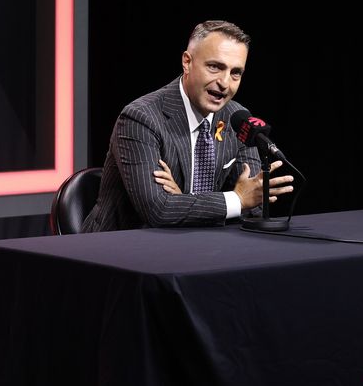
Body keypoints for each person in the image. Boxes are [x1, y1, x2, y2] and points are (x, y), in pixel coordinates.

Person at [81, 20, 294, 232]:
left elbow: (252, 207)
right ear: (187, 62)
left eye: (235, 72)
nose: (225, 83)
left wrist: (183, 200)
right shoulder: (141, 118)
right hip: (118, 248)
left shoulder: (237, 119)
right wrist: (235, 200)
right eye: (214, 67)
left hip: (199, 247)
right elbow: (158, 211)